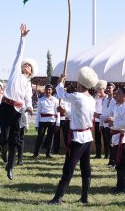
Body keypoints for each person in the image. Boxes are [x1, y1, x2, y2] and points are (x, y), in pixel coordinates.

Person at [49, 66, 98, 205]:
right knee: (85, 167)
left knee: (69, 168)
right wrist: (65, 111)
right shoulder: (91, 99)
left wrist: (61, 81)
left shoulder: (77, 96)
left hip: (77, 138)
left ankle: (57, 198)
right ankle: (84, 197)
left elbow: (60, 94)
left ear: (80, 83)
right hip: (88, 136)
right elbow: (77, 114)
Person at [0, 23, 38, 180]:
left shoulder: (28, 84)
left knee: (14, 140)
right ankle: (2, 147)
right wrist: (22, 38)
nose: (26, 66)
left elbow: (28, 99)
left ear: (31, 72)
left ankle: (10, 166)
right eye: (26, 64)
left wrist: (29, 108)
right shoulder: (15, 72)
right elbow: (19, 54)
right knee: (4, 137)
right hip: (5, 107)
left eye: (29, 66)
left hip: (17, 111)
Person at [32, 84, 59, 158]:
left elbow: (57, 112)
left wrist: (58, 123)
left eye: (50, 90)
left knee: (50, 138)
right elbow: (38, 113)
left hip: (52, 121)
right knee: (39, 137)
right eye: (47, 89)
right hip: (42, 121)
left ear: (52, 91)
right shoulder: (41, 100)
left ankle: (48, 153)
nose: (48, 91)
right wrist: (36, 124)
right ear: (45, 91)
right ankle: (36, 153)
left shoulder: (55, 100)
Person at [109, 87, 125, 193]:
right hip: (116, 137)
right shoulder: (115, 106)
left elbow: (123, 123)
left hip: (123, 139)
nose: (115, 94)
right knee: (118, 163)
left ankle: (122, 187)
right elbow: (114, 118)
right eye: (115, 93)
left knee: (122, 163)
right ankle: (119, 185)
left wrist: (113, 122)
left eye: (118, 93)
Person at [100, 82, 116, 165]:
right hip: (105, 125)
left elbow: (117, 113)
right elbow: (103, 112)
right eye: (107, 88)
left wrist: (112, 119)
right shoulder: (105, 100)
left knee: (112, 143)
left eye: (110, 88)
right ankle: (110, 159)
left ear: (113, 89)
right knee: (107, 142)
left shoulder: (116, 100)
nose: (108, 89)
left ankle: (113, 161)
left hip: (113, 125)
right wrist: (101, 124)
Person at [93, 80, 107, 158]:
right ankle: (98, 154)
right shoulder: (96, 98)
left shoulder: (107, 98)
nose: (98, 90)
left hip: (105, 120)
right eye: (97, 88)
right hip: (97, 121)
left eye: (100, 88)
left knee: (105, 138)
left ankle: (106, 154)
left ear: (103, 89)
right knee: (97, 138)